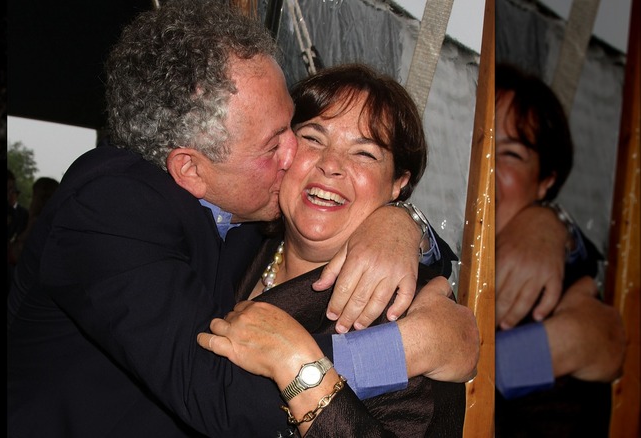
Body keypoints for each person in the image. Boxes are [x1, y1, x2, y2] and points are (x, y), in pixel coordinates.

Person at [7, 1, 478, 436]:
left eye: (364, 153)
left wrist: (405, 225)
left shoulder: (248, 222)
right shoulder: (115, 208)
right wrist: (412, 347)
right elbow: (216, 389)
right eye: (287, 140)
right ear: (191, 169)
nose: (302, 157)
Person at [197, 63, 476, 437]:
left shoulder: (404, 314)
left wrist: (297, 364)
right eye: (313, 138)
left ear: (398, 184)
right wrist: (408, 222)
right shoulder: (235, 242)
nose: (331, 166)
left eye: (364, 154)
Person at [493, 63, 626, 437]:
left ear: (545, 182)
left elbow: (484, 376)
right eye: (482, 143)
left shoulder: (563, 284)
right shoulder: (444, 260)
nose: (488, 166)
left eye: (512, 155)